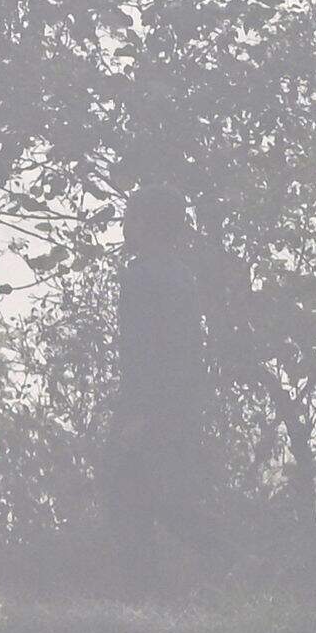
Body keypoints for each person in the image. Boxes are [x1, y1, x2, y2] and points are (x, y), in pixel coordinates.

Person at [109, 179, 225, 580]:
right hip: (181, 401)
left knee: (140, 495)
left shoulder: (141, 277)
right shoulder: (180, 276)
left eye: (131, 218)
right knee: (158, 493)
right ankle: (224, 563)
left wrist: (139, 413)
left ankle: (229, 559)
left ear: (147, 225)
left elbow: (145, 351)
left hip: (152, 404)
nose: (124, 227)